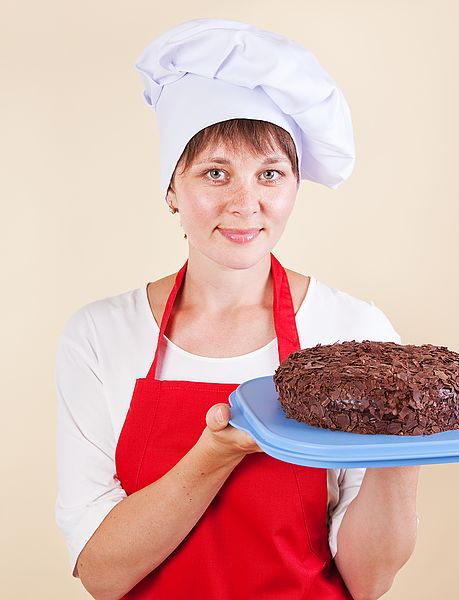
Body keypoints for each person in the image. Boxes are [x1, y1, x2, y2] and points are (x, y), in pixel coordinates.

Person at [54, 18, 420, 599]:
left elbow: (368, 582)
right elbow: (102, 575)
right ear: (171, 188)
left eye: (270, 174)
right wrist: (215, 454)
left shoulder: (355, 334)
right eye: (214, 173)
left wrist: (406, 448)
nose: (245, 203)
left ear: (295, 187)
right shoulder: (100, 336)